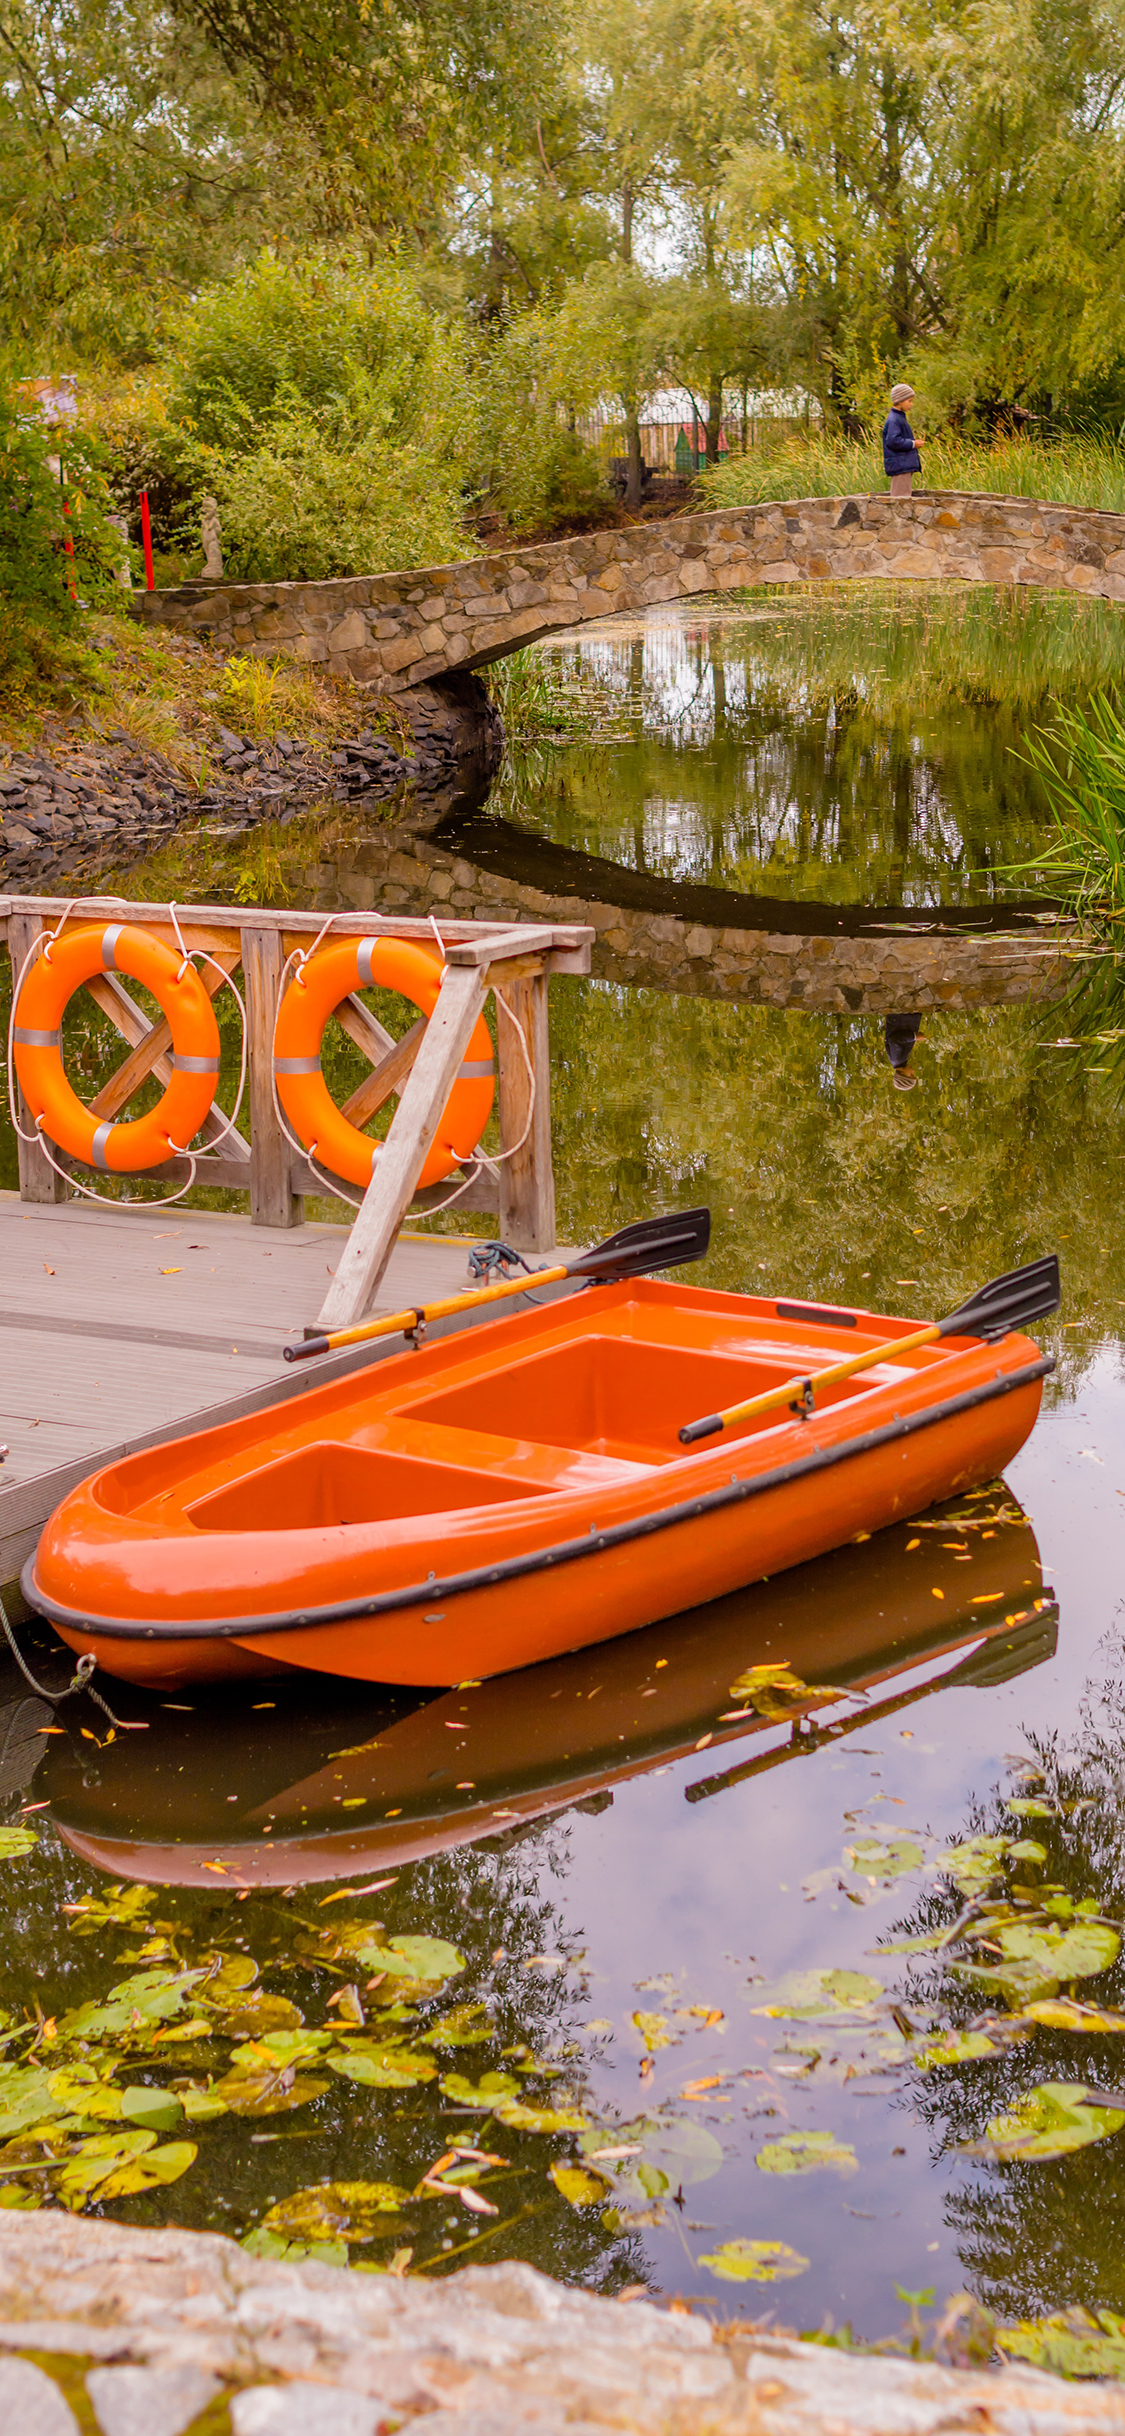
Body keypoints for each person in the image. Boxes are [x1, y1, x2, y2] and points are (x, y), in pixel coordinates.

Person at [882, 383, 921, 497]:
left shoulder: (898, 418)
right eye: (909, 401)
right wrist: (913, 444)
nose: (911, 404)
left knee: (903, 495)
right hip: (900, 465)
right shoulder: (894, 420)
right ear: (900, 401)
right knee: (900, 499)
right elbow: (893, 441)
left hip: (902, 465)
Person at [884, 1012, 923, 1090]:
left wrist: (914, 1036)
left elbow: (894, 1040)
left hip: (902, 1016)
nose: (913, 1071)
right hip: (904, 1016)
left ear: (901, 1074)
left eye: (911, 1074)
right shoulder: (900, 1060)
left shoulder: (897, 1059)